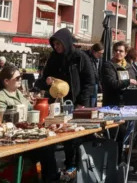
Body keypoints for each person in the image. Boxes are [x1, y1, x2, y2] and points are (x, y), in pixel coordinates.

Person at [34, 28, 95, 171]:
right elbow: (43, 81)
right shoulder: (53, 58)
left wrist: (81, 102)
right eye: (54, 45)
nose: (56, 47)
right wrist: (46, 82)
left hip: (77, 103)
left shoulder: (80, 57)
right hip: (57, 104)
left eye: (59, 44)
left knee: (75, 138)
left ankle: (74, 166)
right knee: (56, 134)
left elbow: (89, 82)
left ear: (66, 43)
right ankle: (57, 170)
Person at [0, 66, 59, 182]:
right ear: (6, 81)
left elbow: (31, 110)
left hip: (25, 134)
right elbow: (2, 121)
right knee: (45, 149)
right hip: (11, 138)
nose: (20, 80)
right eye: (17, 78)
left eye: (20, 78)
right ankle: (51, 179)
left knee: (49, 144)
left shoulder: (19, 93)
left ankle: (50, 178)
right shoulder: (0, 97)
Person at [101, 41, 137, 162]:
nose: (118, 53)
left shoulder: (128, 66)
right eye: (116, 50)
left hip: (126, 105)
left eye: (121, 51)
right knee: (114, 135)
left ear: (125, 53)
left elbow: (135, 79)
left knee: (123, 135)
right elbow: (112, 83)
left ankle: (120, 161)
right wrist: (129, 81)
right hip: (112, 105)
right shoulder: (108, 65)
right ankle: (112, 162)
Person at [89, 43, 104, 107]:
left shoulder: (100, 59)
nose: (101, 55)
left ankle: (99, 108)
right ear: (94, 52)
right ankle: (93, 109)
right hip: (93, 82)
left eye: (102, 53)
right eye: (100, 53)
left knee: (99, 99)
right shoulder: (89, 59)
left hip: (99, 82)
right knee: (94, 98)